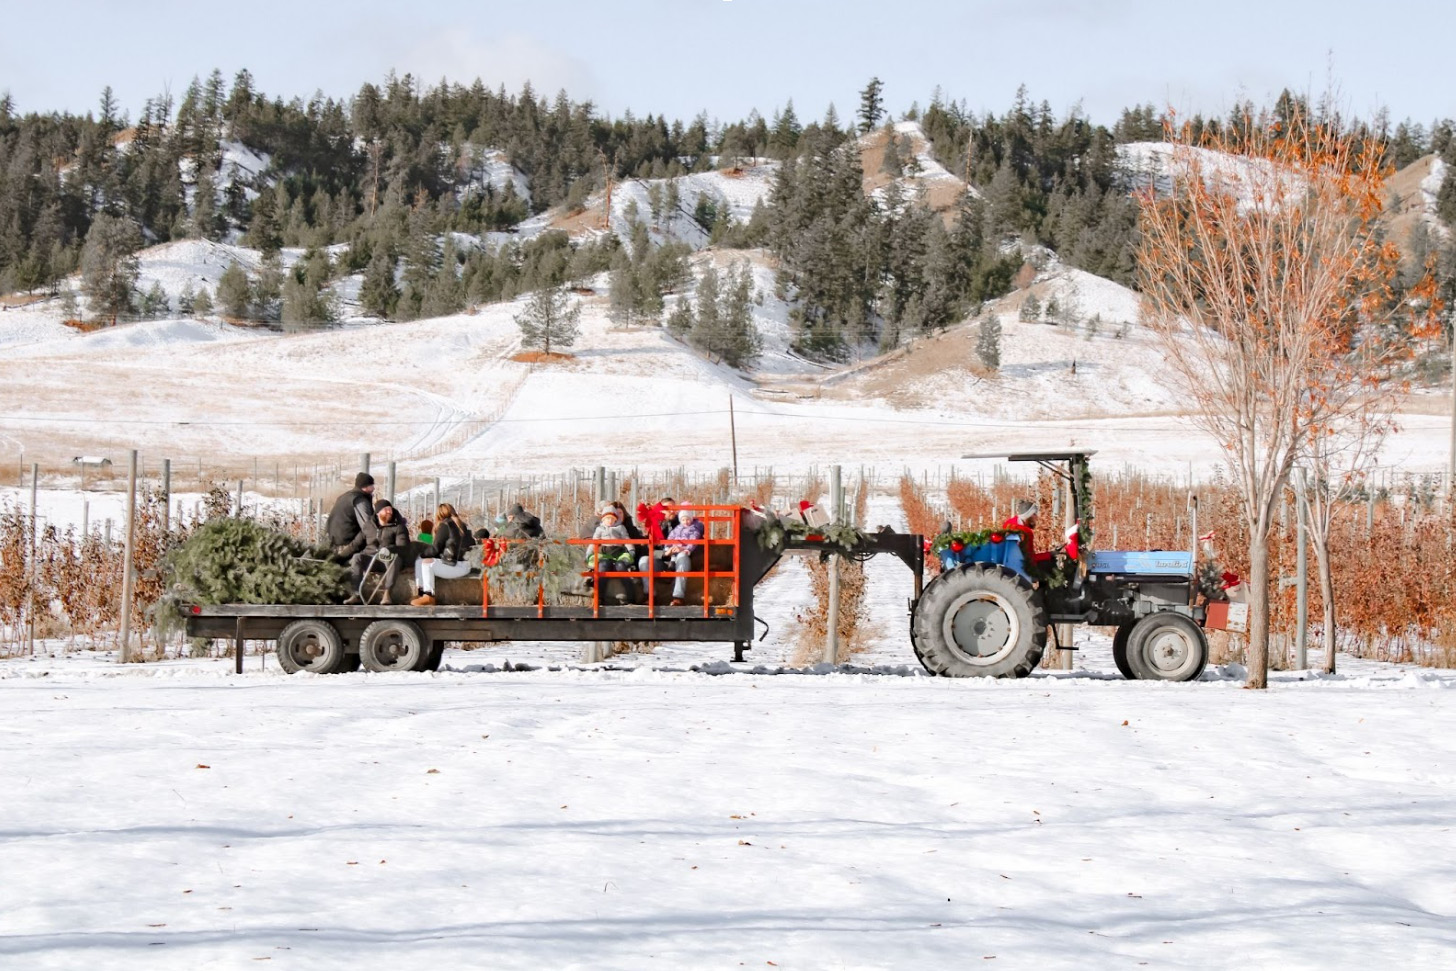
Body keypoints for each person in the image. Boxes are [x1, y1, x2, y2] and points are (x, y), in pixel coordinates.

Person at [346, 499, 412, 605]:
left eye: (390, 509)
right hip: (371, 559)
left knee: (394, 559)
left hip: (388, 560)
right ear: (378, 512)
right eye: (386, 509)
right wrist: (338, 557)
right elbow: (355, 544)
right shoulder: (368, 526)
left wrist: (389, 549)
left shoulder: (398, 527)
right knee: (357, 557)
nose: (389, 512)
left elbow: (404, 547)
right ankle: (356, 594)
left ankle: (387, 594)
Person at [410, 503, 474, 607]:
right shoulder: (462, 525)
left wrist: (421, 554)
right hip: (464, 564)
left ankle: (428, 596)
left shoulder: (446, 525)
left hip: (457, 565)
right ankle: (421, 595)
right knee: (420, 562)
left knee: (424, 562)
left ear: (439, 515)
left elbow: (435, 549)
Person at [638, 506, 704, 606]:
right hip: (663, 561)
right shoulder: (655, 526)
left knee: (682, 557)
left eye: (674, 508)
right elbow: (648, 549)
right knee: (644, 560)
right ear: (660, 512)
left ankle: (678, 597)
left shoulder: (687, 524)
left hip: (682, 560)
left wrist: (684, 549)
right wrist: (665, 553)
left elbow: (697, 544)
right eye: (667, 509)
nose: (672, 511)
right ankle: (650, 595)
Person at [325, 472, 377, 562]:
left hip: (334, 542)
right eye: (371, 485)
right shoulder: (359, 500)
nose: (374, 488)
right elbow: (367, 525)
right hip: (348, 545)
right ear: (365, 486)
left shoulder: (345, 496)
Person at [1003, 499, 1052, 566]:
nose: (1036, 517)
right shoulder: (1026, 532)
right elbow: (1030, 559)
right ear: (1028, 516)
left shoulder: (1008, 523)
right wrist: (1049, 554)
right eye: (1034, 514)